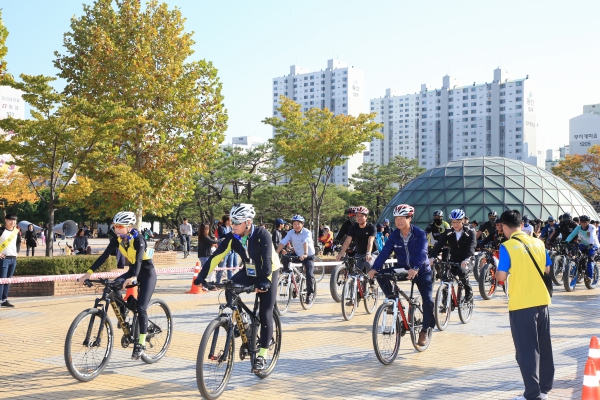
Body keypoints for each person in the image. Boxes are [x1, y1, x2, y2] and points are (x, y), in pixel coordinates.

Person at [194, 203, 279, 372]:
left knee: (265, 311)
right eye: (231, 221)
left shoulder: (262, 234)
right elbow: (216, 256)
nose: (232, 225)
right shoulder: (233, 237)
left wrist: (265, 282)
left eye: (236, 222)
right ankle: (243, 322)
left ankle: (262, 355)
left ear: (248, 222)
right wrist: (202, 276)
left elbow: (267, 260)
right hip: (249, 270)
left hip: (269, 272)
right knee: (229, 288)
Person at [79, 211, 156, 360]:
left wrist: (134, 277)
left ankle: (140, 343)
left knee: (141, 308)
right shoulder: (117, 239)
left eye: (120, 226)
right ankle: (125, 315)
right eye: (115, 226)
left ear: (129, 226)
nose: (117, 229)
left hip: (146, 273)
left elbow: (139, 260)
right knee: (113, 286)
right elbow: (104, 256)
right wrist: (88, 273)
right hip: (132, 272)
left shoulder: (139, 239)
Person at [495, 210, 554, 400]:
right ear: (521, 224)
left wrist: (499, 271)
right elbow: (547, 269)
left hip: (522, 304)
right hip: (542, 301)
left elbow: (501, 276)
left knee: (526, 350)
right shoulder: (539, 242)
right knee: (544, 346)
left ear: (504, 226)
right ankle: (544, 389)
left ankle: (532, 394)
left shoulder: (508, 246)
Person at [368, 204, 434, 346]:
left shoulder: (420, 234)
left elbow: (423, 253)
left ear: (409, 218)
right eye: (396, 218)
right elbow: (385, 252)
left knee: (428, 301)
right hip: (403, 268)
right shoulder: (394, 235)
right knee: (380, 275)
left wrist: (415, 268)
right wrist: (374, 268)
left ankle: (424, 330)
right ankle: (393, 300)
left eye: (402, 218)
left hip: (421, 271)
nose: (398, 221)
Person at [429, 209, 476, 302]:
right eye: (453, 222)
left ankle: (468, 291)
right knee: (445, 277)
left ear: (463, 220)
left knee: (461, 271)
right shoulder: (448, 231)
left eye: (458, 222)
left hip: (467, 259)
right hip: (454, 260)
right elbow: (439, 244)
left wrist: (467, 258)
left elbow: (472, 245)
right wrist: (432, 257)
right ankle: (446, 301)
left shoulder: (470, 231)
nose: (455, 225)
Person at [276, 215, 316, 304]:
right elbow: (283, 242)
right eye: (294, 224)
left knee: (309, 275)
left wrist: (305, 254)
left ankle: (309, 295)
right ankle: (288, 275)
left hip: (308, 256)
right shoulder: (290, 232)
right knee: (285, 257)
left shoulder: (307, 232)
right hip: (297, 254)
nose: (296, 226)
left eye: (298, 224)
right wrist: (276, 253)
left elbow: (305, 242)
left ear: (302, 224)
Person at [336, 206, 377, 273]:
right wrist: (342, 252)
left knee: (368, 264)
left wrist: (368, 253)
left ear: (366, 217)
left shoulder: (371, 227)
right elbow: (348, 240)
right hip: (359, 253)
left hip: (372, 253)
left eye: (361, 216)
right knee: (356, 272)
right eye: (357, 216)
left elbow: (370, 241)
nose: (359, 218)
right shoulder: (353, 227)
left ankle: (372, 278)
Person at [564, 215, 599, 282]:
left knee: (590, 258)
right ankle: (579, 271)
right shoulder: (578, 227)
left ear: (588, 222)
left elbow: (592, 235)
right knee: (577, 256)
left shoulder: (592, 227)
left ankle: (589, 276)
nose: (583, 224)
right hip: (584, 245)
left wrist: (591, 244)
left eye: (585, 222)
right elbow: (572, 234)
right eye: (582, 222)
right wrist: (566, 241)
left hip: (594, 245)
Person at [0, 214, 21, 308]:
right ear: (6, 220)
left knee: (8, 280)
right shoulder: (1, 230)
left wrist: (17, 252)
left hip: (13, 259)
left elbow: (18, 243)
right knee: (2, 280)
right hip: (3, 259)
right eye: (10, 220)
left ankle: (4, 299)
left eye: (14, 220)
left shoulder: (16, 231)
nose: (13, 222)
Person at [197, 222, 218, 288]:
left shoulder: (202, 236)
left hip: (203, 255)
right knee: (209, 270)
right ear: (205, 229)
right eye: (208, 229)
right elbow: (214, 242)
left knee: (206, 271)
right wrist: (221, 240)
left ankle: (202, 284)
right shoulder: (205, 237)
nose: (208, 230)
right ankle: (208, 284)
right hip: (205, 256)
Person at [216, 215, 236, 283]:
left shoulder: (231, 227)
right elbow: (223, 235)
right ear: (227, 221)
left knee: (230, 268)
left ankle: (230, 281)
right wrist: (231, 233)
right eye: (230, 220)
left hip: (231, 250)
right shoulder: (221, 228)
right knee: (222, 267)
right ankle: (217, 282)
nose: (231, 221)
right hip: (224, 250)